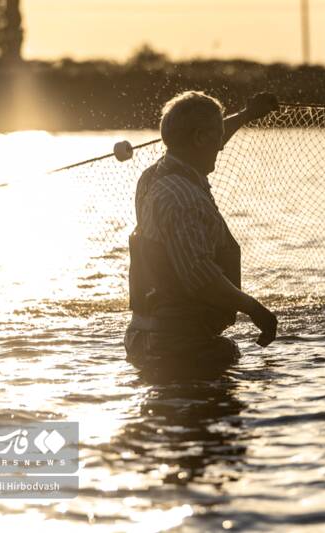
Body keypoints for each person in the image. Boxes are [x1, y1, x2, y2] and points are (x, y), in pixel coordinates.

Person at [124, 91, 279, 381]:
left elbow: (202, 139)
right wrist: (256, 310)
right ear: (198, 139)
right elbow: (199, 275)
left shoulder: (153, 176)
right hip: (178, 346)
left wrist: (245, 115)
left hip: (144, 339)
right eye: (217, 137)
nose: (221, 147)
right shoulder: (182, 198)